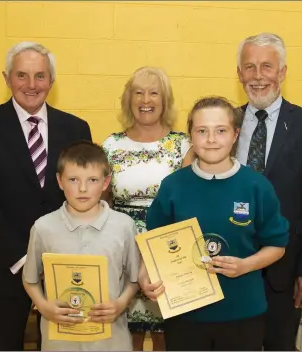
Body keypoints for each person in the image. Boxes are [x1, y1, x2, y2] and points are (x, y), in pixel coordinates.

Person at [140, 96, 289, 351]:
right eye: (202, 131)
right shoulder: (173, 186)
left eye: (221, 130)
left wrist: (246, 265)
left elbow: (277, 246)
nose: (211, 139)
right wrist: (145, 277)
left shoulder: (257, 186)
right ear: (191, 136)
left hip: (243, 314)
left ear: (235, 135)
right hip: (185, 315)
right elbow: (152, 244)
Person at [0, 41, 92, 351]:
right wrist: (24, 260)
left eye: (40, 76)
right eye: (22, 75)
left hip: (64, 267)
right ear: (6, 78)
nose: (31, 85)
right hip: (6, 267)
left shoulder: (76, 128)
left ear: (51, 81)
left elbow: (86, 197)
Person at [235, 33, 302, 350]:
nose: (257, 76)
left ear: (282, 72)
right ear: (239, 73)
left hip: (287, 274)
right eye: (250, 67)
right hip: (231, 268)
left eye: (266, 66)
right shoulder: (226, 123)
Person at [102, 66, 193, 351]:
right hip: (122, 246)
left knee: (168, 332)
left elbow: (189, 200)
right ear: (128, 99)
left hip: (166, 244)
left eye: (154, 93)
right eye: (138, 92)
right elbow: (102, 201)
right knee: (127, 333)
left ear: (164, 100)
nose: (146, 99)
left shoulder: (183, 145)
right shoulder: (111, 145)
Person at [22, 141, 140, 351]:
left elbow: (134, 279)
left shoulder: (124, 226)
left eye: (92, 180)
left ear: (105, 183)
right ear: (59, 181)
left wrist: (120, 304)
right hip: (59, 343)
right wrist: (43, 306)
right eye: (73, 180)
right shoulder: (43, 227)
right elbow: (30, 279)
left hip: (111, 342)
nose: (83, 188)